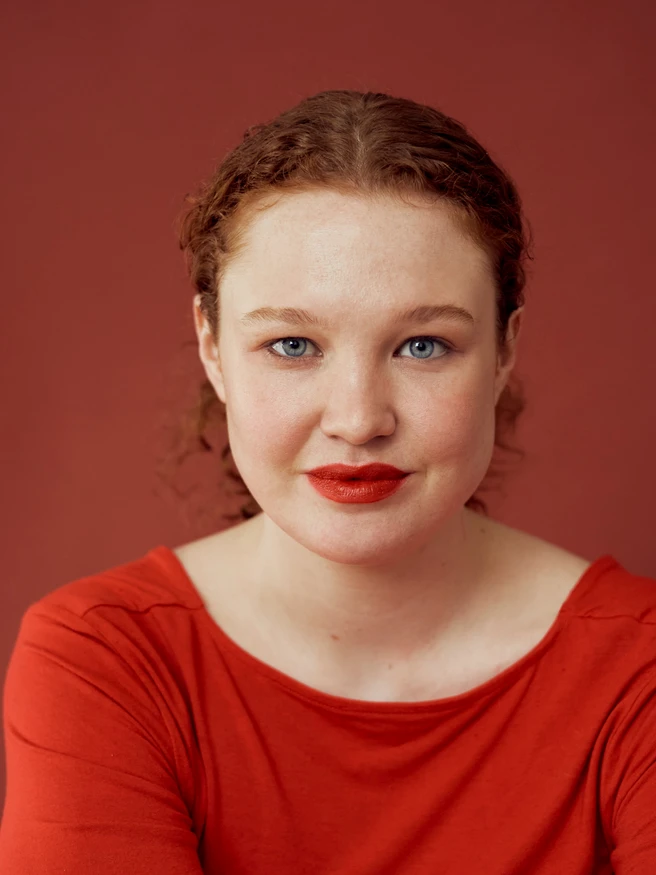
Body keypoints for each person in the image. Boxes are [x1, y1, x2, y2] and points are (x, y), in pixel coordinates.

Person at [1, 89, 654, 874]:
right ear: (211, 345)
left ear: (504, 351)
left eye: (422, 345)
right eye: (292, 345)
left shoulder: (638, 666)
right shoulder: (105, 658)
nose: (358, 418)